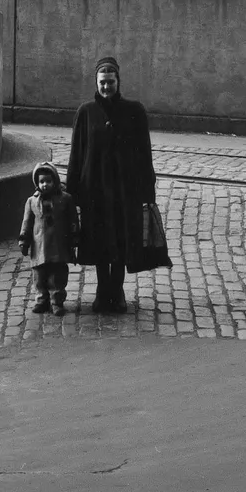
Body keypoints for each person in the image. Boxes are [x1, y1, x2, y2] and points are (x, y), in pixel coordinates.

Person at [65, 56, 169, 314]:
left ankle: (118, 290)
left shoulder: (134, 111)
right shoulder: (86, 112)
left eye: (110, 82)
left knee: (122, 240)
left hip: (126, 189)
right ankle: (102, 291)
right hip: (95, 190)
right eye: (102, 82)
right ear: (96, 82)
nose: (106, 87)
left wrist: (148, 189)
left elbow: (145, 153)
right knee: (99, 240)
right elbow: (76, 154)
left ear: (118, 82)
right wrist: (71, 191)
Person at [18, 163, 78, 315]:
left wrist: (74, 237)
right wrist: (24, 240)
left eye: (48, 181)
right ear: (37, 183)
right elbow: (27, 222)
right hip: (40, 245)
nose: (45, 185)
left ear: (55, 181)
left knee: (57, 276)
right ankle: (41, 300)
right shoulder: (32, 202)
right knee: (39, 276)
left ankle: (57, 301)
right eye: (42, 182)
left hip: (58, 244)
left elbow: (73, 220)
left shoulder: (65, 199)